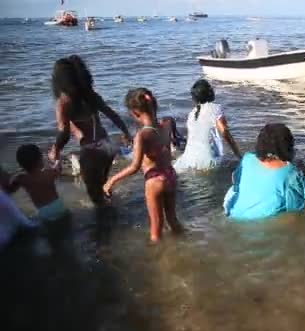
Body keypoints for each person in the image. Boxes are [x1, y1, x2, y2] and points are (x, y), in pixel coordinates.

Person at [48, 55, 132, 206]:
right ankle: (112, 210)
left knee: (95, 197)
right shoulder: (91, 96)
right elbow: (112, 114)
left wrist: (56, 150)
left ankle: (106, 223)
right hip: (107, 146)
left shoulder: (63, 103)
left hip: (90, 151)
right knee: (103, 186)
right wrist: (126, 132)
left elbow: (64, 134)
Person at [103, 88, 183, 242]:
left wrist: (111, 180)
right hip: (170, 175)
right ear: (154, 104)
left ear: (134, 113)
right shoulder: (167, 123)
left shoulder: (142, 135)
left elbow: (134, 167)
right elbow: (172, 142)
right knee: (172, 219)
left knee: (156, 229)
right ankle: (184, 243)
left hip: (154, 180)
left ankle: (160, 261)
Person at [223, 123, 305, 220]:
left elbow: (236, 183)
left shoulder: (247, 159)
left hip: (234, 214)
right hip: (261, 223)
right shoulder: (291, 173)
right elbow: (297, 206)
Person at [173, 79, 241, 172]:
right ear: (209, 93)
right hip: (207, 162)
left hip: (187, 160)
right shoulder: (216, 109)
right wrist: (238, 155)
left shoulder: (191, 114)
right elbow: (225, 132)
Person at [6, 145, 69, 222]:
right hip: (59, 206)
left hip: (44, 212)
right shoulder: (48, 173)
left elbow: (9, 190)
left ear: (20, 164)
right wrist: (56, 160)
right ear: (40, 160)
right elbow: (58, 169)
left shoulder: (21, 178)